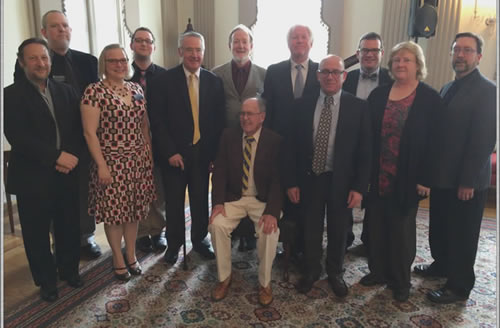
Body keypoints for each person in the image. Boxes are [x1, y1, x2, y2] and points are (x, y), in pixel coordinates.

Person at [13, 10, 102, 259]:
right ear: (44, 32)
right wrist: (56, 153)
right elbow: (26, 105)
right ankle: (59, 241)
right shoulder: (36, 63)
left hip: (83, 140)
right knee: (54, 198)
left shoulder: (88, 61)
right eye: (55, 26)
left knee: (84, 192)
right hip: (50, 146)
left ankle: (86, 238)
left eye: (65, 25)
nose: (61, 30)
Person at [416, 32, 496, 304]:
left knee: (463, 234)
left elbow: (484, 139)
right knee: (441, 227)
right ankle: (441, 265)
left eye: (467, 50)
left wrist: (468, 181)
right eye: (456, 50)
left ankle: (459, 287)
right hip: (442, 177)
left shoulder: (488, 91)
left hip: (466, 181)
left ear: (479, 56)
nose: (460, 55)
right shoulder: (448, 87)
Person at [359, 41, 441, 302]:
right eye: (396, 60)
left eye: (407, 60)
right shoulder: (379, 95)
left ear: (418, 65)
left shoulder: (429, 98)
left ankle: (400, 280)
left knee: (401, 230)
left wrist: (426, 179)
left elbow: (436, 142)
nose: (401, 64)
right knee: (377, 226)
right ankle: (379, 271)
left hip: (408, 177)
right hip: (378, 174)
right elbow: (366, 137)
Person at [285, 55, 372, 297]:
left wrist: (359, 187)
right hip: (310, 177)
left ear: (344, 76)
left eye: (336, 72)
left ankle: (335, 271)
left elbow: (366, 151)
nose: (330, 76)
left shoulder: (359, 107)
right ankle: (312, 270)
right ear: (318, 75)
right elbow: (291, 147)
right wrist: (291, 182)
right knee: (311, 227)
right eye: (325, 72)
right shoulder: (302, 105)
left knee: (339, 228)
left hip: (341, 180)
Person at [4, 38, 84, 302]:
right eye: (33, 58)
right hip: (33, 177)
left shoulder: (67, 91)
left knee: (68, 226)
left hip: (67, 173)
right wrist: (57, 157)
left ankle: (69, 270)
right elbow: (18, 136)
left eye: (44, 58)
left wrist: (69, 155)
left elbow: (76, 128)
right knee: (37, 233)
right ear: (22, 62)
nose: (40, 63)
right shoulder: (9, 96)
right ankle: (47, 281)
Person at [149, 31, 225, 265]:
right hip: (174, 155)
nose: (194, 54)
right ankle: (174, 244)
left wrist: (214, 155)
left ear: (203, 52)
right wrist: (170, 152)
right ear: (180, 52)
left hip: (202, 155)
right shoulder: (164, 80)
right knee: (173, 202)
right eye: (189, 50)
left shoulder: (214, 81)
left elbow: (218, 121)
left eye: (198, 50)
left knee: (201, 199)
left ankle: (200, 240)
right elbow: (157, 120)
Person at [81, 44, 156, 281]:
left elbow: (144, 124)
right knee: (115, 214)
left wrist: (148, 153)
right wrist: (101, 165)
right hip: (110, 162)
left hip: (137, 161)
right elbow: (89, 133)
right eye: (113, 61)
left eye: (123, 60)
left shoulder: (135, 89)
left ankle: (131, 254)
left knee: (133, 212)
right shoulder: (94, 92)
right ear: (104, 64)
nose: (120, 64)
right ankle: (117, 257)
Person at [209, 97, 282, 306]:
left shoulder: (274, 140)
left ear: (262, 117)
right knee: (217, 224)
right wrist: (218, 203)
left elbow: (278, 180)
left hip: (262, 200)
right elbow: (220, 172)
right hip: (234, 197)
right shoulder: (228, 136)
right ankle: (224, 278)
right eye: (242, 113)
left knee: (270, 230)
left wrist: (272, 212)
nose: (245, 118)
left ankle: (264, 283)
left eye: (250, 113)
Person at [262, 24, 319, 259]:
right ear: (288, 43)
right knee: (280, 193)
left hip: (311, 147)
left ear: (310, 43)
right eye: (294, 37)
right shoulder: (273, 71)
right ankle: (281, 243)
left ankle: (303, 247)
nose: (299, 41)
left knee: (307, 198)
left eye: (303, 37)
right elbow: (268, 109)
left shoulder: (321, 71)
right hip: (280, 144)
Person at [212, 24, 266, 252]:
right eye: (236, 41)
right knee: (230, 185)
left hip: (254, 140)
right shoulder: (216, 74)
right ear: (230, 45)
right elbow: (212, 111)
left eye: (245, 42)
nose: (240, 46)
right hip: (227, 141)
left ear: (251, 46)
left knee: (251, 186)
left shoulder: (264, 74)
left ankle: (250, 235)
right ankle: (230, 231)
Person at [342, 32, 392, 252]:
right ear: (357, 53)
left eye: (374, 50)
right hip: (349, 147)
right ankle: (344, 239)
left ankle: (369, 242)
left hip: (381, 148)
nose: (369, 54)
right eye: (365, 50)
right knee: (345, 194)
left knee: (375, 198)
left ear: (382, 53)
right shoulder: (346, 78)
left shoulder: (392, 80)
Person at [129, 27, 168, 253]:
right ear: (132, 44)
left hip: (159, 140)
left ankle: (158, 231)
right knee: (138, 188)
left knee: (157, 188)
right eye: (139, 40)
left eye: (148, 41)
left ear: (154, 46)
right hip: (131, 142)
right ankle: (142, 232)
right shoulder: (123, 73)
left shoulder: (165, 75)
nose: (144, 44)